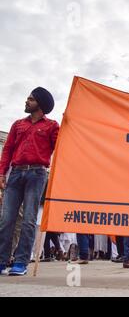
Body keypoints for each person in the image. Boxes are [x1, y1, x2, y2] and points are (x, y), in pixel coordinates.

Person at [0, 87, 59, 276]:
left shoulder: (52, 126)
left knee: (28, 220)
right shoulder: (18, 124)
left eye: (31, 99)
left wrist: (71, 124)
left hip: (37, 174)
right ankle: (1, 260)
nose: (27, 101)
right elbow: (7, 150)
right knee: (6, 219)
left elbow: (62, 145)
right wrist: (2, 174)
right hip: (15, 173)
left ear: (40, 104)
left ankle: (21, 262)